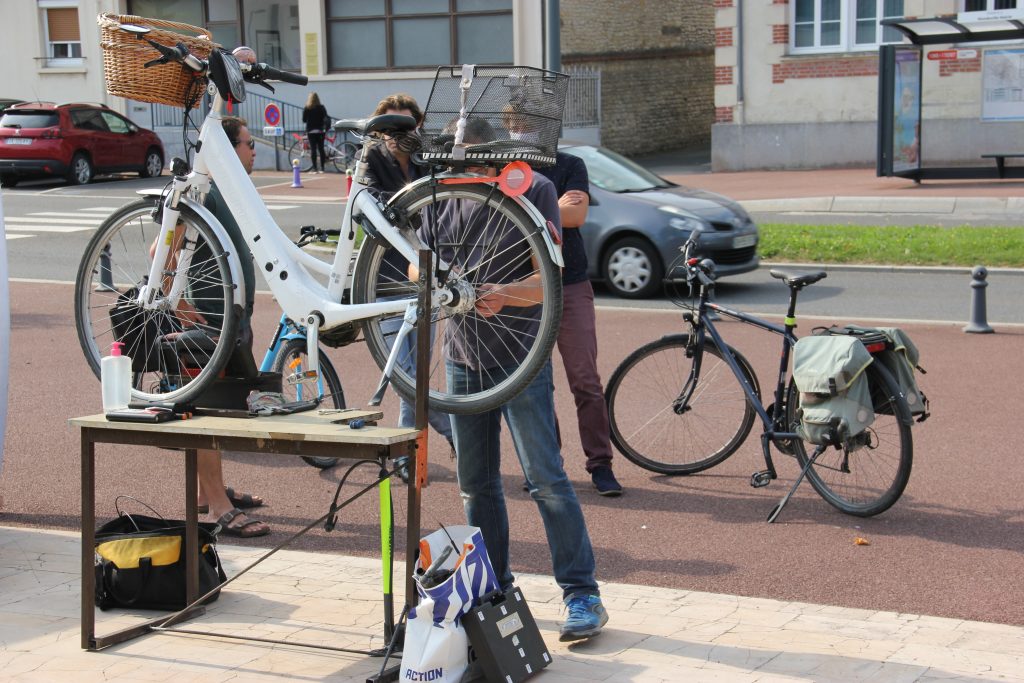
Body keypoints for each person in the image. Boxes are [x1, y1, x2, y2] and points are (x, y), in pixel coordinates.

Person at [421, 117, 608, 642]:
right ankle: (492, 588)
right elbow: (417, 266)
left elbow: (545, 281)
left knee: (546, 479)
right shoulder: (440, 194)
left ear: (497, 155)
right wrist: (440, 284)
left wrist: (504, 295)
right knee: (474, 486)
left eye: (476, 158)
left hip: (522, 356)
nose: (466, 168)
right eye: (459, 158)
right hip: (461, 358)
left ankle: (582, 593)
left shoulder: (534, 189)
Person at [152, 116, 269, 538]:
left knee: (213, 411)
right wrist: (180, 304)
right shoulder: (206, 192)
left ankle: (209, 492)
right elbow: (160, 248)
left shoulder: (228, 194)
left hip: (224, 324)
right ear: (226, 150)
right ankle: (218, 505)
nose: (253, 150)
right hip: (204, 328)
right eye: (248, 143)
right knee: (199, 414)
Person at [361, 94, 454, 449]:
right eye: (388, 128)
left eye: (405, 126)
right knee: (405, 375)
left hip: (424, 279)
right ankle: (453, 433)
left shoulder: (425, 161)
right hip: (384, 282)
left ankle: (405, 453)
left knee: (413, 374)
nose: (396, 135)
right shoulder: (371, 158)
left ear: (418, 126)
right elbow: (371, 209)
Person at [537, 151, 623, 496]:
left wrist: (530, 206)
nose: (525, 129)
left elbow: (576, 216)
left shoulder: (570, 164)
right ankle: (549, 466)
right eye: (517, 122)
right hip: (525, 287)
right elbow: (560, 214)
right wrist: (553, 207)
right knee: (538, 385)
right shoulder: (507, 164)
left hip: (571, 282)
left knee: (585, 379)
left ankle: (600, 464)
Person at [302, 92, 330, 174]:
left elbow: (304, 120)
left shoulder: (307, 108)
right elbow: (326, 117)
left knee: (313, 150)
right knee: (321, 149)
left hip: (311, 131)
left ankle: (314, 168)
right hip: (320, 131)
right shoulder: (321, 107)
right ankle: (322, 168)